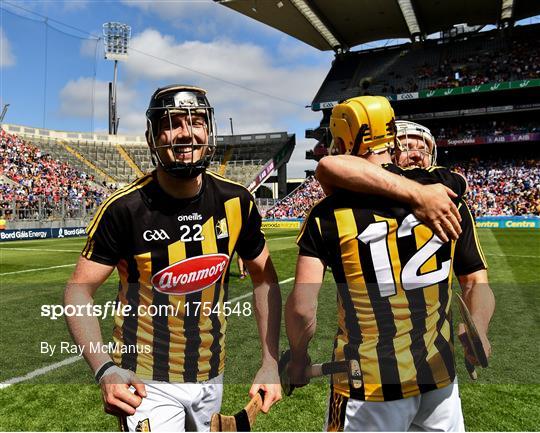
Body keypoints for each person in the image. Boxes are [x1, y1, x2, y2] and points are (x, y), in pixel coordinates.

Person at [64, 84, 282, 432]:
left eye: (196, 121)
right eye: (173, 123)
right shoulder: (124, 208)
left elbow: (265, 279)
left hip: (212, 374)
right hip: (145, 380)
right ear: (153, 138)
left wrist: (270, 363)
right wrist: (104, 368)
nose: (186, 133)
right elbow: (78, 290)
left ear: (208, 133)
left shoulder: (237, 200)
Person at [285, 96, 475, 432]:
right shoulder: (445, 194)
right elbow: (476, 280)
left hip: (368, 385)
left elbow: (303, 310)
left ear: (343, 141)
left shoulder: (328, 214)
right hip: (439, 379)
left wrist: (298, 360)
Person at [316, 119, 495, 371]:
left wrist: (478, 326)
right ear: (390, 151)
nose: (416, 154)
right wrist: (419, 194)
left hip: (429, 369)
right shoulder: (356, 203)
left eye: (423, 148)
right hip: (380, 369)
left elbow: (476, 281)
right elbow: (330, 166)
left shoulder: (451, 205)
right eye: (408, 146)